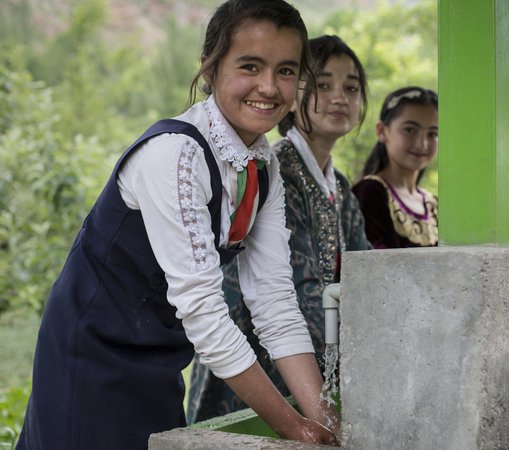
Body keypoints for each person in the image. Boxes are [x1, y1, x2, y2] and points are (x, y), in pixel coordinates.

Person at [16, 1, 340, 449]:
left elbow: (275, 302)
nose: (268, 87)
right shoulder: (174, 154)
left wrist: (324, 419)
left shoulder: (263, 168)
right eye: (250, 66)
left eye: (286, 71)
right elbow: (205, 312)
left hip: (161, 355)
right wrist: (294, 428)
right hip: (90, 350)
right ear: (209, 67)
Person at [187, 35, 370, 424]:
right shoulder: (277, 169)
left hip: (318, 357)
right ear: (296, 90)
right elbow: (300, 294)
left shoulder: (340, 186)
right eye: (323, 85)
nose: (340, 97)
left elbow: (368, 278)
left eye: (351, 88)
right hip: (256, 359)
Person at [352, 86, 439, 248]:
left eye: (433, 134)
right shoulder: (370, 193)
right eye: (410, 130)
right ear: (382, 131)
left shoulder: (433, 204)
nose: (422, 143)